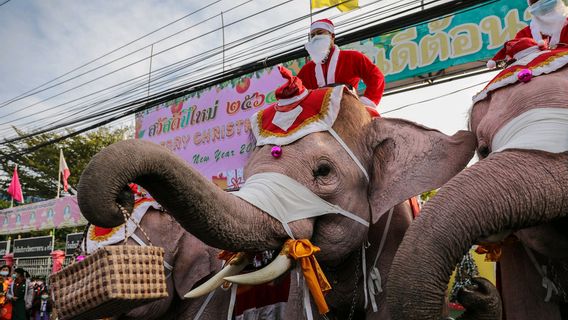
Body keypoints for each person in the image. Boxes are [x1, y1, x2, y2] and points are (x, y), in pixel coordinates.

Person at [297, 18, 385, 109]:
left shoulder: (353, 57)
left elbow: (376, 77)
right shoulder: (307, 69)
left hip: (349, 110)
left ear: (332, 36)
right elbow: (296, 94)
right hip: (318, 118)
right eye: (312, 35)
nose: (315, 38)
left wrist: (366, 104)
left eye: (319, 33)